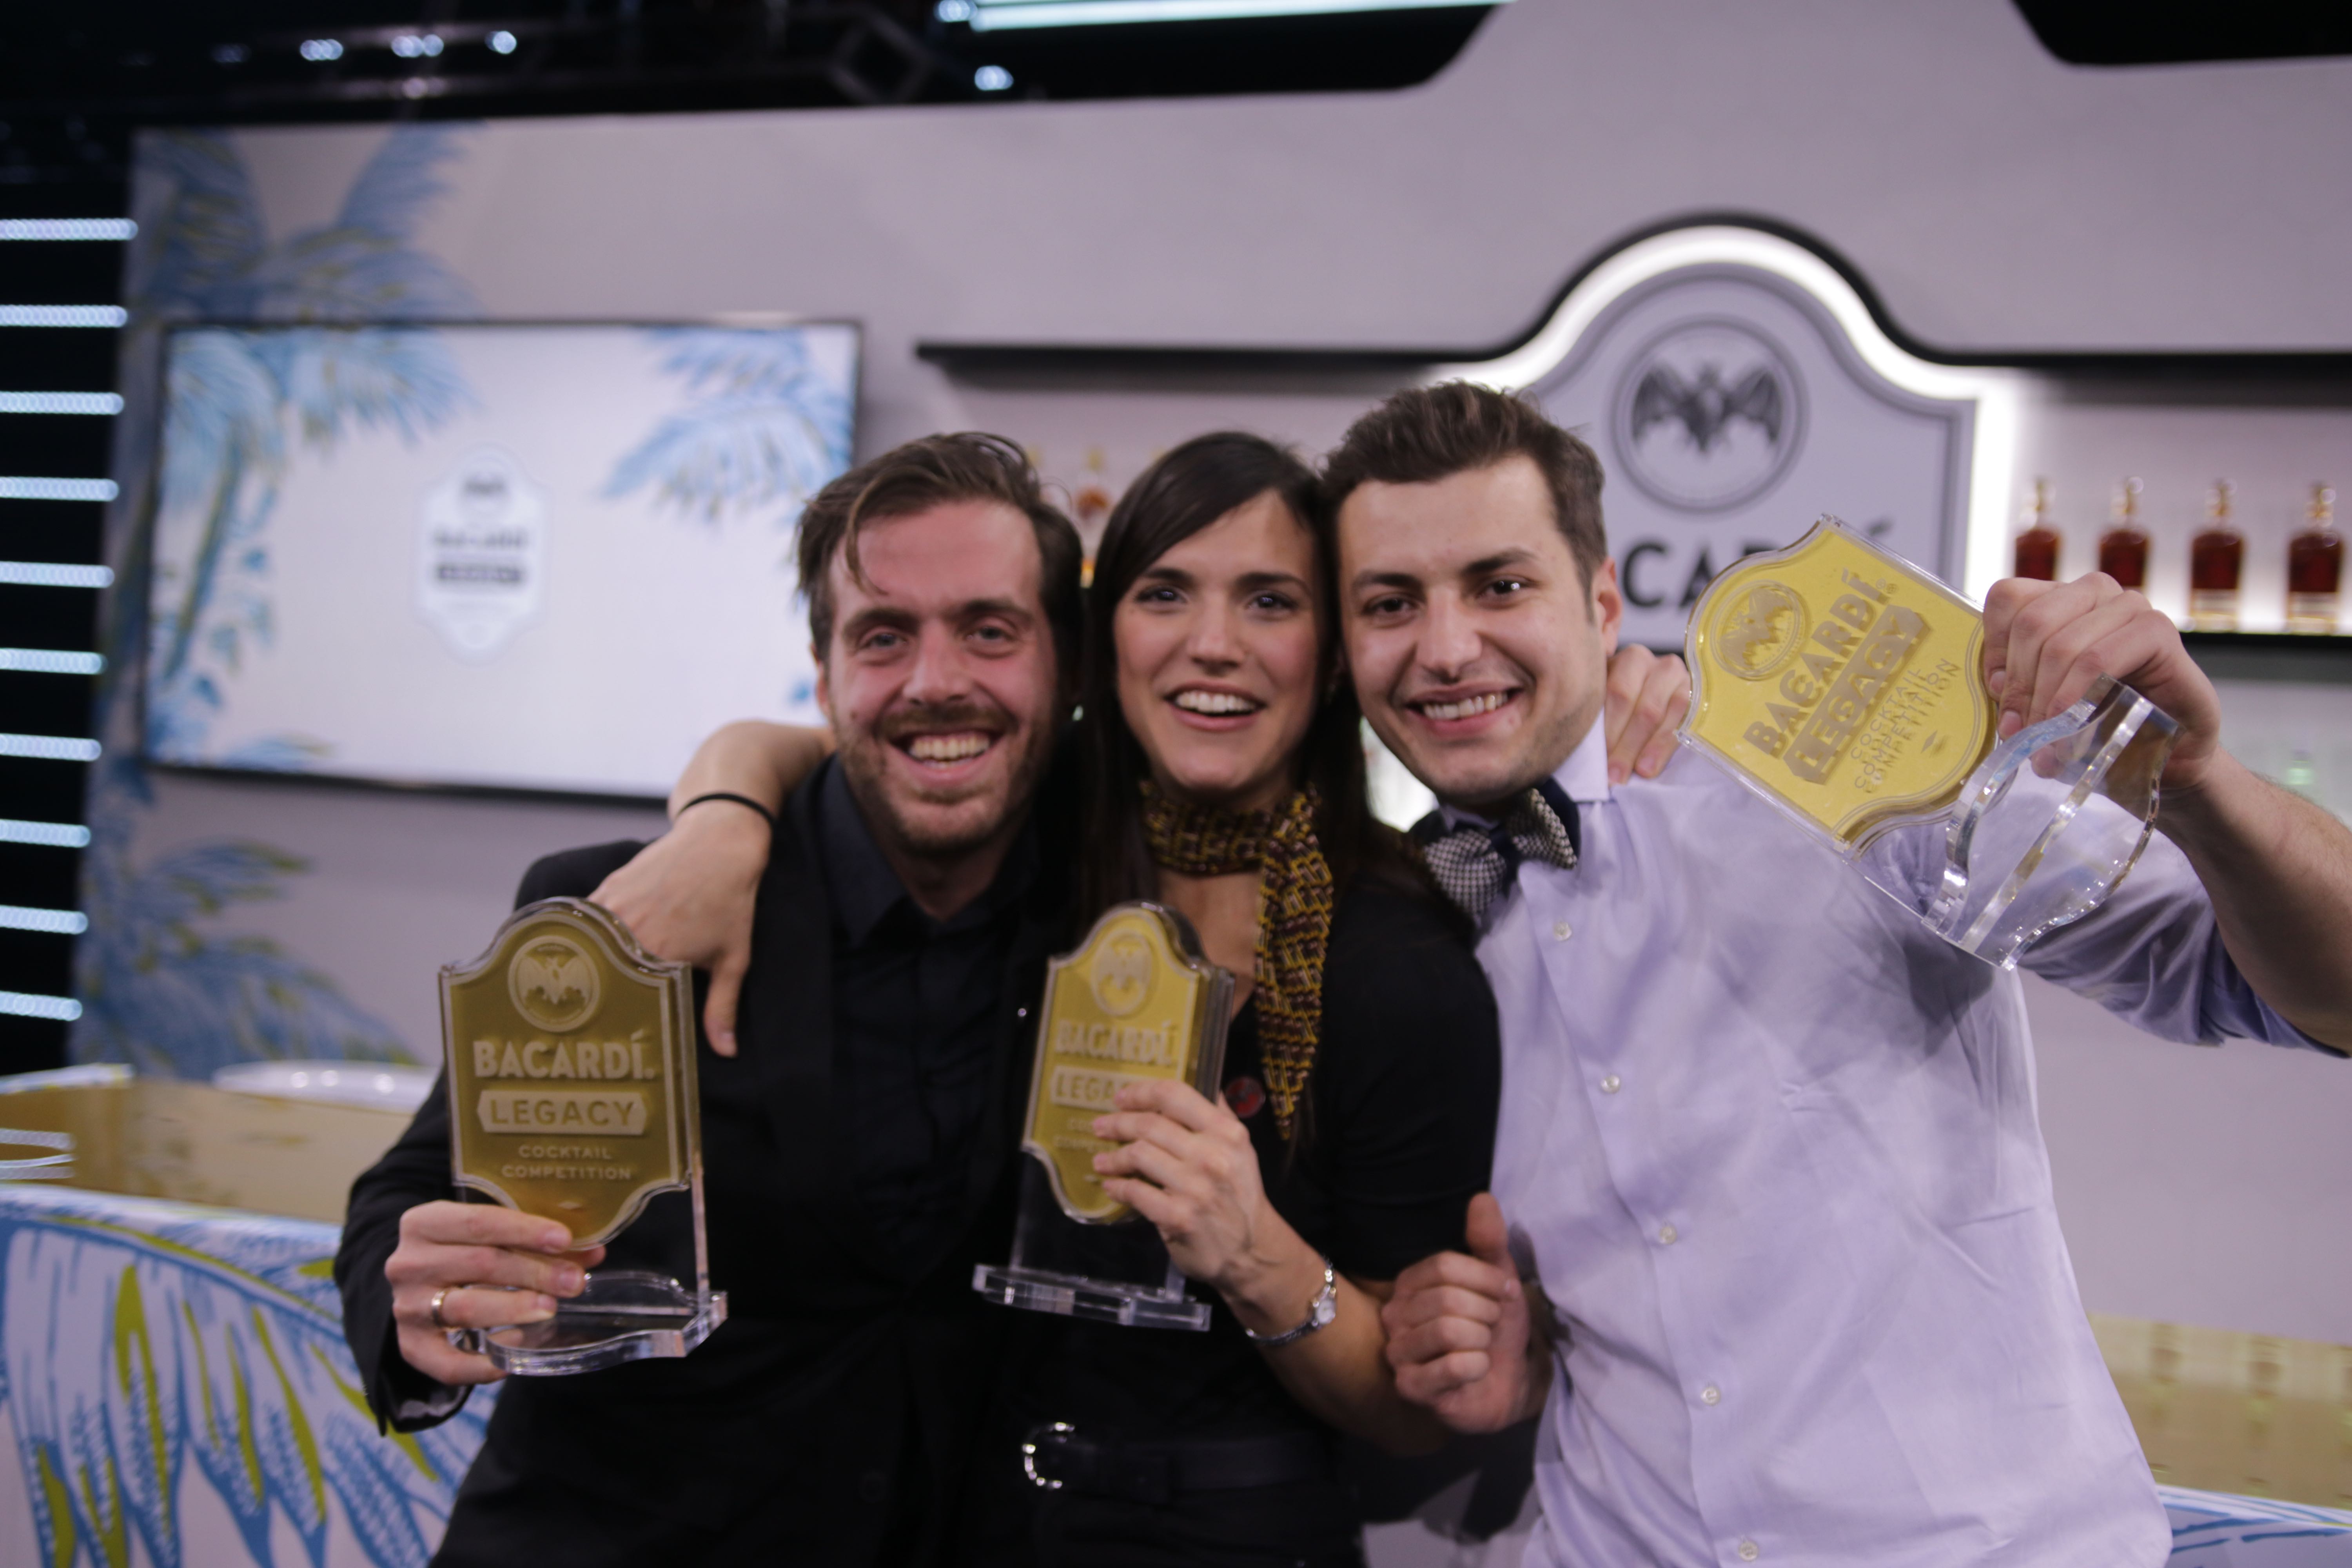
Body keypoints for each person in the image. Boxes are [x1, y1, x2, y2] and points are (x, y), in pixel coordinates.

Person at [588, 434, 1695, 1564]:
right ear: (1097, 643)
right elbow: (851, 740)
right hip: (960, 1520)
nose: (1213, 643)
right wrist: (724, 817)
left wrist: (1255, 1251)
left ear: (1332, 652)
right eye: (1164, 593)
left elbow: (1415, 1408)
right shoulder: (1034, 839)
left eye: (1270, 600)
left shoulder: (1399, 953)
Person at [1328, 384, 2352, 1567]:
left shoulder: (1830, 774)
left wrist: (2200, 783)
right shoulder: (1405, 928)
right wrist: (1527, 1352)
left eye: (1501, 585)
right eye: (1391, 603)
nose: (1446, 647)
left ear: (1601, 601)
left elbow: (2310, 993)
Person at [335, 433, 1086, 1566]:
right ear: (824, 677)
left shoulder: (1106, 923)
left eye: (989, 630)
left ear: (1064, 669)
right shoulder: (630, 913)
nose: (935, 680)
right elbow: (411, 1190)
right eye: (883, 636)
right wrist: (419, 1297)